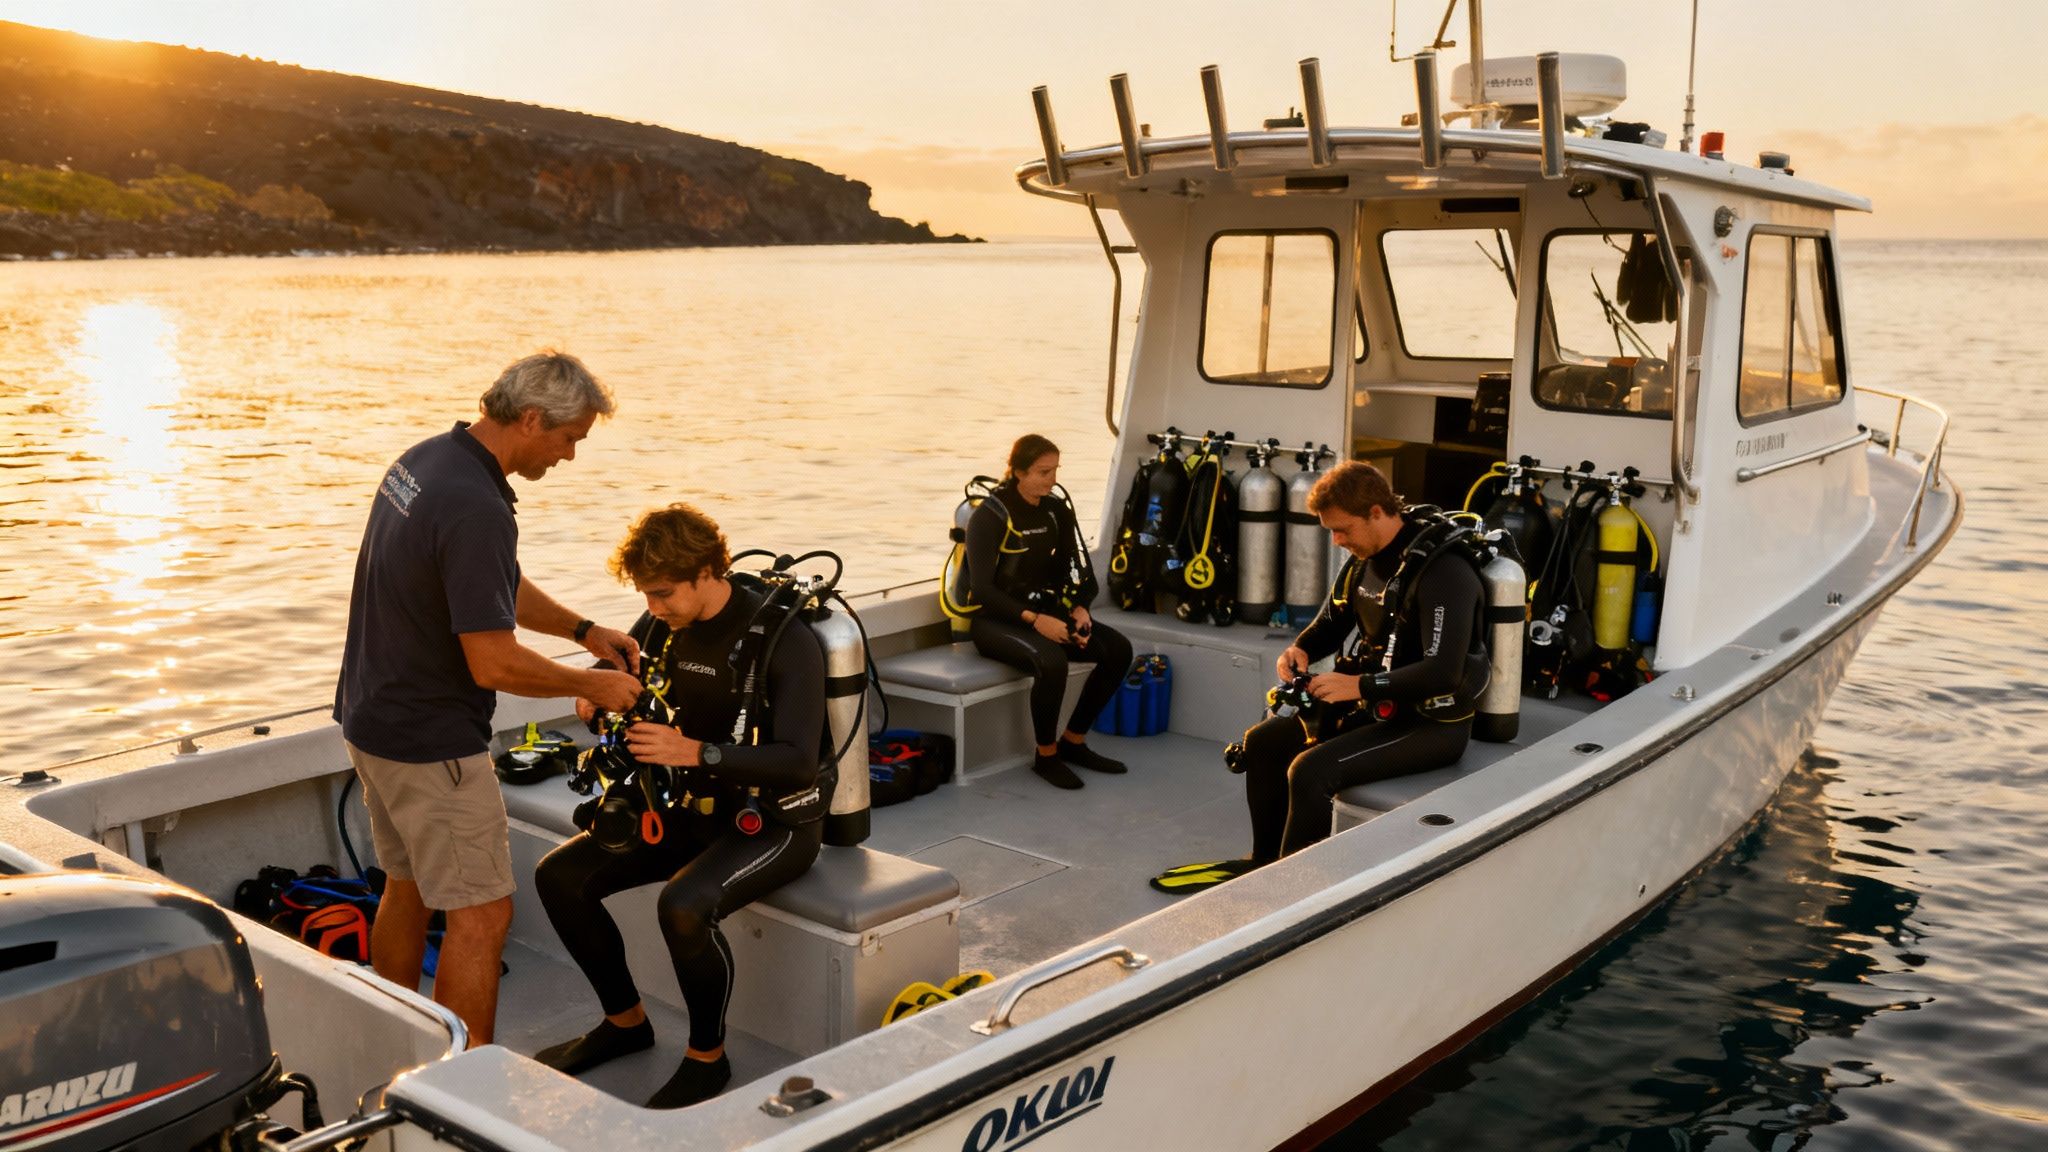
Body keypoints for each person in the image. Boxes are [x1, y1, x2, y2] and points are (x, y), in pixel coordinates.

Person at [333, 350, 645, 1046]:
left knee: (406, 885)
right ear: (531, 419)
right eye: (568, 439)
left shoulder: (428, 462)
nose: (569, 457)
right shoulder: (476, 505)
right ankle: (463, 1093)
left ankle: (393, 1039)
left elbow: (492, 583)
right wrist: (589, 683)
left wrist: (583, 631)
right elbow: (492, 661)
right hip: (430, 744)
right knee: (481, 914)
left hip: (369, 718)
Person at [532, 503, 829, 1110]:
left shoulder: (786, 640)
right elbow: (620, 671)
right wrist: (595, 691)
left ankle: (706, 1059)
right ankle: (625, 1023)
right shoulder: (663, 619)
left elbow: (799, 759)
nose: (654, 606)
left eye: (663, 593)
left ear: (706, 572)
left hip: (773, 819)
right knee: (560, 877)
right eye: (646, 594)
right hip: (685, 808)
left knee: (684, 906)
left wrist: (697, 753)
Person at [1154, 461, 1485, 893]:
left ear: (1377, 513)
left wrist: (1359, 687)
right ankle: (1265, 861)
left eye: (1342, 530)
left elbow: (1444, 671)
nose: (1337, 541)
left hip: (1429, 724)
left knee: (1310, 771)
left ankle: (1293, 892)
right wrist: (1302, 648)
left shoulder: (1445, 573)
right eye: (1330, 532)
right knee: (1264, 742)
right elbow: (1332, 621)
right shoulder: (1362, 560)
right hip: (1375, 704)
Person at [963, 434, 1134, 790]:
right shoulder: (989, 516)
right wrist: (1036, 621)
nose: (1051, 480)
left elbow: (1074, 568)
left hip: (1048, 611)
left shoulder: (1057, 510)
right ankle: (1047, 755)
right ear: (1018, 471)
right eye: (1042, 472)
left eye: (1055, 470)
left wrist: (1079, 607)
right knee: (1051, 660)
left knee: (1117, 649)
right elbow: (982, 591)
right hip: (997, 620)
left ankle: (1074, 741)